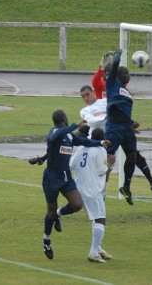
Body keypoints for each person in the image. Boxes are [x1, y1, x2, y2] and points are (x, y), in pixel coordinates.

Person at [41, 110, 110, 260]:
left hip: (65, 178)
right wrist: (75, 125)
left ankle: (59, 215)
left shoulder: (69, 136)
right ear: (64, 119)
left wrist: (100, 143)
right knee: (50, 212)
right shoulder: (54, 132)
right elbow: (54, 136)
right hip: (51, 179)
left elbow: (85, 142)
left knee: (77, 204)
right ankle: (46, 239)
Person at [105, 48, 152, 206]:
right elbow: (115, 66)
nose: (128, 75)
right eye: (126, 73)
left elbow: (125, 111)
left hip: (126, 129)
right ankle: (94, 182)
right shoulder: (112, 84)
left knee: (132, 156)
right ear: (118, 75)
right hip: (114, 127)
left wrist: (132, 124)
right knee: (106, 154)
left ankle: (126, 188)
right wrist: (118, 55)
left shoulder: (126, 91)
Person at [69, 128, 116, 263]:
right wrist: (110, 163)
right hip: (92, 190)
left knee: (96, 218)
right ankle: (93, 252)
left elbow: (71, 165)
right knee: (101, 219)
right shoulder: (101, 150)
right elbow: (102, 171)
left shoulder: (81, 148)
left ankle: (98, 248)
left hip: (77, 189)